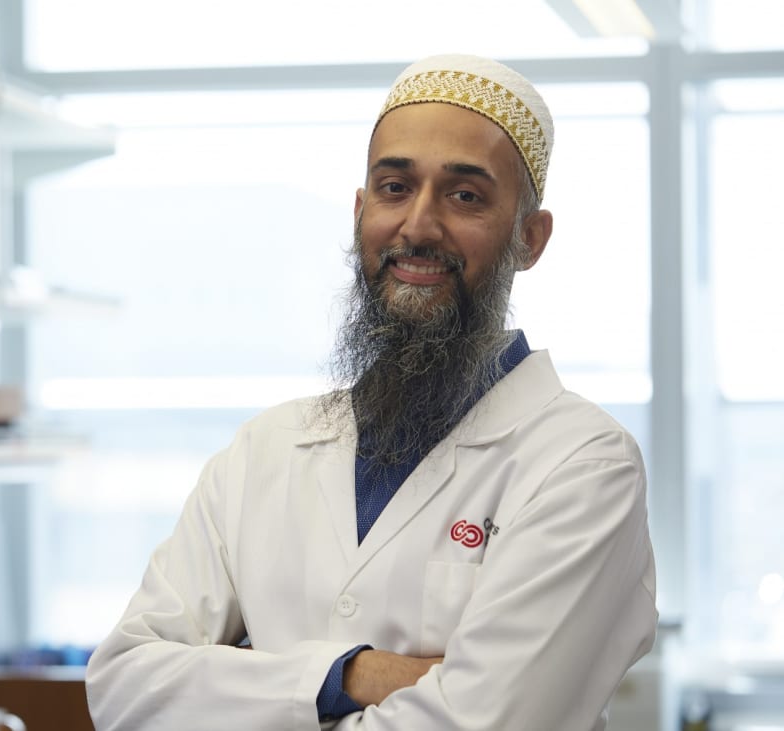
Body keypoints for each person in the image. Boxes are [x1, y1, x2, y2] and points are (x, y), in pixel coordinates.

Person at [84, 54, 658, 730]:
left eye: (465, 195)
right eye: (394, 186)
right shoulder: (264, 453)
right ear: (361, 213)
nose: (418, 225)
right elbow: (122, 685)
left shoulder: (582, 467)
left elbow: (481, 724)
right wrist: (354, 673)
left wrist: (236, 688)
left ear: (529, 238)